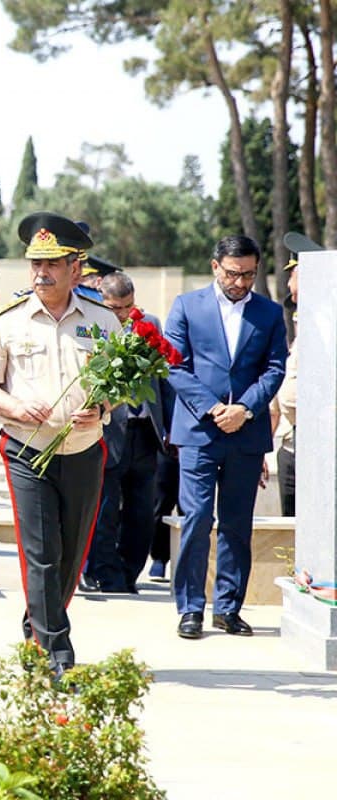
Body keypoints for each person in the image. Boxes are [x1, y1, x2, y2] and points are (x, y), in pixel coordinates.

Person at [0, 211, 119, 678]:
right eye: (35, 263)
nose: (41, 273)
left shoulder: (102, 320)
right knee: (42, 552)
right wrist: (12, 406)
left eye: (52, 264)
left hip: (83, 450)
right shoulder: (7, 322)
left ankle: (39, 619)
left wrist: (103, 408)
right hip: (26, 450)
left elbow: (118, 385)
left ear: (76, 268)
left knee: (71, 554)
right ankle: (56, 650)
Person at [164, 235, 287, 639]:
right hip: (200, 430)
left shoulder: (268, 313)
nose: (240, 282)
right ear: (215, 266)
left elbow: (273, 369)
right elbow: (175, 365)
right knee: (198, 518)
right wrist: (214, 409)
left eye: (249, 274)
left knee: (237, 523)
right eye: (234, 274)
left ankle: (228, 607)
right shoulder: (187, 305)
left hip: (246, 433)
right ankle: (191, 608)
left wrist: (245, 410)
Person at [81, 270, 173, 594]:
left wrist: (169, 428)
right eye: (114, 307)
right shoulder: (91, 328)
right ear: (100, 301)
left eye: (127, 306)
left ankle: (130, 572)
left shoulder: (150, 324)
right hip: (107, 430)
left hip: (145, 429)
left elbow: (164, 380)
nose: (121, 314)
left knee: (142, 511)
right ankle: (106, 576)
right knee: (105, 509)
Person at [268, 232, 317, 516]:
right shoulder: (300, 334)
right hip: (290, 443)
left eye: (293, 276)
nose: (288, 285)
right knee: (292, 531)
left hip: (316, 443)